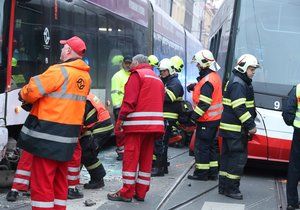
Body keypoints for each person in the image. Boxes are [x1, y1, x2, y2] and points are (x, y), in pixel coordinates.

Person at [17, 36, 91, 210]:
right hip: (68, 140)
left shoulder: (59, 71)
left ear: (68, 50)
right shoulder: (85, 77)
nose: (61, 50)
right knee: (59, 183)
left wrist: (22, 93)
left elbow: (32, 90)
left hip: (47, 137)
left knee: (42, 184)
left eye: (63, 47)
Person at [107, 54, 165, 202]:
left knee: (130, 159)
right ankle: (141, 192)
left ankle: (126, 193)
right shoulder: (157, 78)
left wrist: (120, 121)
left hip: (136, 126)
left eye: (132, 62)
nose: (130, 65)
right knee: (146, 160)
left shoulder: (137, 75)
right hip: (154, 127)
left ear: (138, 62)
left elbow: (129, 101)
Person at [218, 54, 259, 200]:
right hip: (236, 129)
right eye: (251, 69)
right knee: (237, 159)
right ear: (243, 67)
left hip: (231, 129)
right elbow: (239, 107)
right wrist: (251, 125)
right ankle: (231, 189)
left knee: (227, 157)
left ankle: (223, 186)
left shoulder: (237, 81)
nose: (253, 71)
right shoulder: (239, 83)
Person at [186, 49, 223, 182]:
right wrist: (195, 87)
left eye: (198, 64)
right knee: (212, 146)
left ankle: (201, 173)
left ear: (203, 63)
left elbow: (204, 104)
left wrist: (192, 117)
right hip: (214, 120)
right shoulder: (214, 77)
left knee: (202, 147)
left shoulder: (207, 81)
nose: (197, 66)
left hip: (206, 120)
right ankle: (212, 172)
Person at [151, 58, 184, 176]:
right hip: (163, 117)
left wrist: (159, 91)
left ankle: (159, 168)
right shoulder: (167, 81)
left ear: (170, 70)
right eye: (160, 71)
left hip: (168, 118)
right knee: (160, 142)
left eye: (164, 71)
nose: (162, 73)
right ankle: (162, 167)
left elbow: (168, 97)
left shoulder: (174, 82)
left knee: (161, 143)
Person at [80, 93, 114, 189]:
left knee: (87, 153)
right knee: (85, 152)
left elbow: (78, 121)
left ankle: (98, 179)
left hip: (101, 126)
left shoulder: (81, 99)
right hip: (97, 125)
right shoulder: (84, 95)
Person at [111, 55, 132, 161]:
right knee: (120, 131)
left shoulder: (133, 75)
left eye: (129, 63)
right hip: (121, 108)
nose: (128, 65)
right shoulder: (117, 76)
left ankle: (127, 151)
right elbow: (115, 93)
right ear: (123, 63)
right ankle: (121, 152)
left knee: (128, 131)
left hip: (130, 107)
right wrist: (117, 108)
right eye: (126, 63)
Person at [282, 83, 300, 210]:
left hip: (299, 133)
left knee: (294, 167)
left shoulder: (298, 89)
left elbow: (287, 112)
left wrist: (294, 123)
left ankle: (292, 202)